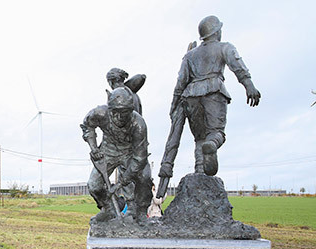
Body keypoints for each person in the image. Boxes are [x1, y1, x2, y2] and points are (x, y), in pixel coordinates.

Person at [166, 15, 260, 177]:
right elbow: (237, 66)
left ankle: (200, 171)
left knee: (199, 138)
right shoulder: (224, 47)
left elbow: (181, 82)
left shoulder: (189, 55)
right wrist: (249, 85)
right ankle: (212, 145)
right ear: (216, 32)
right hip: (214, 91)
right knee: (216, 133)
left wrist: (174, 104)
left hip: (191, 97)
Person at [81, 86, 153, 222]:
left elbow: (139, 158)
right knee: (94, 185)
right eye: (116, 112)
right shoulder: (100, 113)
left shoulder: (138, 124)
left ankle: (137, 212)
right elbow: (87, 126)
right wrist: (94, 148)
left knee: (143, 179)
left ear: (130, 110)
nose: (120, 117)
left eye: (124, 113)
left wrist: (120, 184)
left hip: (130, 153)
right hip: (107, 151)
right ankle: (108, 209)